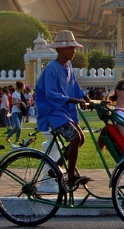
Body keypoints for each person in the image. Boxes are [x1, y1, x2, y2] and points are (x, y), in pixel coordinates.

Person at [35, 30, 92, 189]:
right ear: (60, 49)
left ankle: (56, 168)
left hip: (65, 112)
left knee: (81, 138)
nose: (74, 51)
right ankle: (72, 176)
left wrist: (85, 98)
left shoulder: (68, 65)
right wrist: (72, 100)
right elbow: (51, 94)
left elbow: (74, 86)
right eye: (70, 48)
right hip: (53, 113)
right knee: (74, 138)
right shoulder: (51, 68)